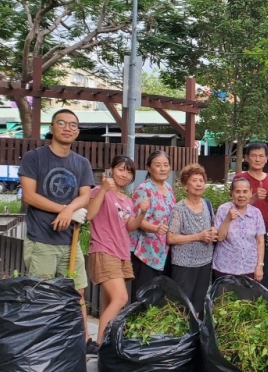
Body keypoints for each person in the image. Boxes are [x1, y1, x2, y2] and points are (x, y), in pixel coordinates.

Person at [18, 109, 94, 345]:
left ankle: (83, 340)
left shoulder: (81, 163)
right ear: (52, 128)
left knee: (78, 292)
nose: (68, 127)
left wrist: (68, 210)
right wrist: (63, 209)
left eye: (73, 124)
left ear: (78, 131)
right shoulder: (35, 157)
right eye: (62, 123)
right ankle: (41, 344)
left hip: (70, 241)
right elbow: (29, 196)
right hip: (42, 239)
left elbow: (86, 196)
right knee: (42, 294)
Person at [85, 155, 137, 352]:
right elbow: (89, 215)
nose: (124, 174)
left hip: (122, 252)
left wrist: (140, 213)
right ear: (111, 169)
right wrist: (104, 189)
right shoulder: (100, 191)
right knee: (121, 298)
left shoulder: (127, 200)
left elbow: (129, 226)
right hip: (104, 249)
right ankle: (99, 345)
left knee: (110, 302)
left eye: (129, 171)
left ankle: (107, 342)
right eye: (121, 169)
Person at [167, 164, 217, 315]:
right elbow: (170, 238)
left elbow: (213, 227)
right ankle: (182, 336)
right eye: (194, 180)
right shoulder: (179, 209)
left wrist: (212, 233)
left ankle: (194, 335)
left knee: (198, 304)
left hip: (205, 261)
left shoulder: (207, 204)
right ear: (185, 185)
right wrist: (198, 236)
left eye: (201, 180)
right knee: (183, 305)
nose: (199, 184)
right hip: (184, 264)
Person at [236, 142, 268, 297]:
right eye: (254, 156)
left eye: (261, 156)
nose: (257, 159)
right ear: (246, 157)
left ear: (266, 158)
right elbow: (234, 207)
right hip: (244, 234)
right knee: (246, 274)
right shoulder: (240, 178)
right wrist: (253, 198)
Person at [130, 151, 176, 298]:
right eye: (158, 165)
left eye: (166, 165)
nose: (163, 169)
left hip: (165, 250)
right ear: (149, 168)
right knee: (145, 296)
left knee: (161, 296)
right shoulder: (144, 189)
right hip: (145, 251)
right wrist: (155, 228)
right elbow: (137, 220)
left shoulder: (169, 188)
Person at [212, 178, 266, 280]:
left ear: (251, 193)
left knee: (247, 296)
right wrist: (228, 219)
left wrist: (259, 266)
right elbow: (219, 238)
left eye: (245, 192)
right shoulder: (223, 209)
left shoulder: (256, 213)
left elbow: (260, 241)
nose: (241, 195)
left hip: (249, 267)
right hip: (225, 268)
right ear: (231, 193)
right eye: (237, 191)